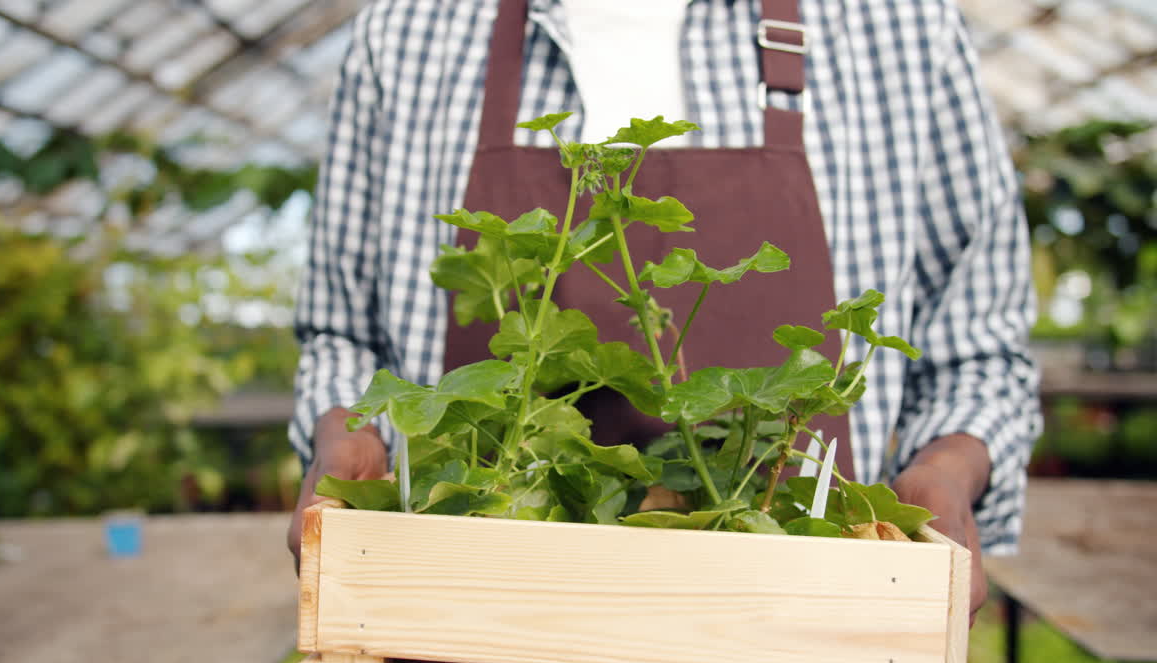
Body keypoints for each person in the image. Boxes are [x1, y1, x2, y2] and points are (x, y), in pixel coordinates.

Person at [285, 0, 1042, 624]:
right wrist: (343, 433)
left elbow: (979, 352)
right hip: (466, 628)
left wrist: (947, 466)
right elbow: (342, 332)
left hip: (809, 636)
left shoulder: (896, 23)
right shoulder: (410, 28)